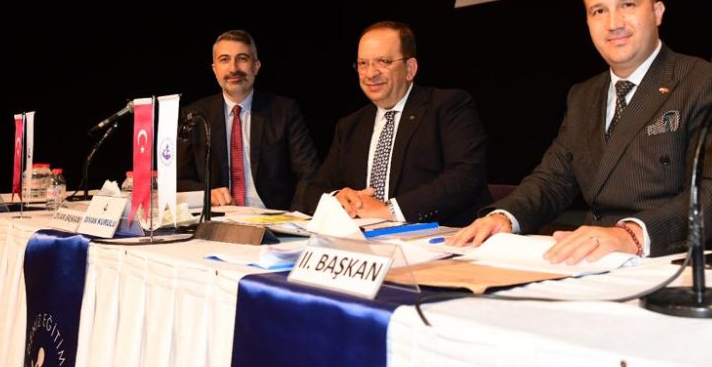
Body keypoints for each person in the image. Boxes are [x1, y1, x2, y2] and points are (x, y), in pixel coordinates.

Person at [449, 0, 712, 261]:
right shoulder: (583, 95)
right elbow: (553, 179)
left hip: (672, 259)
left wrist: (632, 234)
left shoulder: (707, 81)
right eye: (599, 11)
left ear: (657, 12)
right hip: (593, 259)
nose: (614, 23)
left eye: (628, 5)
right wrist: (505, 217)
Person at [292, 21, 491, 226]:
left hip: (442, 236)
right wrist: (338, 199)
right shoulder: (350, 126)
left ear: (410, 69)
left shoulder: (447, 106)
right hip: (364, 239)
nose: (371, 73)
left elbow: (465, 177)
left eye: (383, 61)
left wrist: (389, 210)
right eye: (363, 63)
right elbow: (314, 191)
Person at [176, 29, 320, 209]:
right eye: (224, 59)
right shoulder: (194, 115)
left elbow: (309, 173)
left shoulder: (284, 111)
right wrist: (205, 195)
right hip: (218, 217)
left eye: (242, 58)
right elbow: (178, 180)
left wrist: (294, 217)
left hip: (273, 217)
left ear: (256, 66)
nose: (234, 68)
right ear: (215, 70)